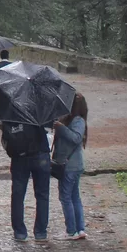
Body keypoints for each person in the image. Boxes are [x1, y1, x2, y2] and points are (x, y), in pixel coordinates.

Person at [0, 117, 50, 241]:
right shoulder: (37, 108)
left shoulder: (9, 111)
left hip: (19, 157)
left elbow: (5, 137)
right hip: (40, 154)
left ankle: (19, 232)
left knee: (18, 195)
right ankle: (40, 232)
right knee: (42, 195)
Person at [53, 93, 88, 239]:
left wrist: (61, 128)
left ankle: (72, 229)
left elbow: (76, 138)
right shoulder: (70, 119)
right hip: (70, 164)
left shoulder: (78, 120)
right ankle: (79, 229)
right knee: (74, 196)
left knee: (66, 197)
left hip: (70, 165)